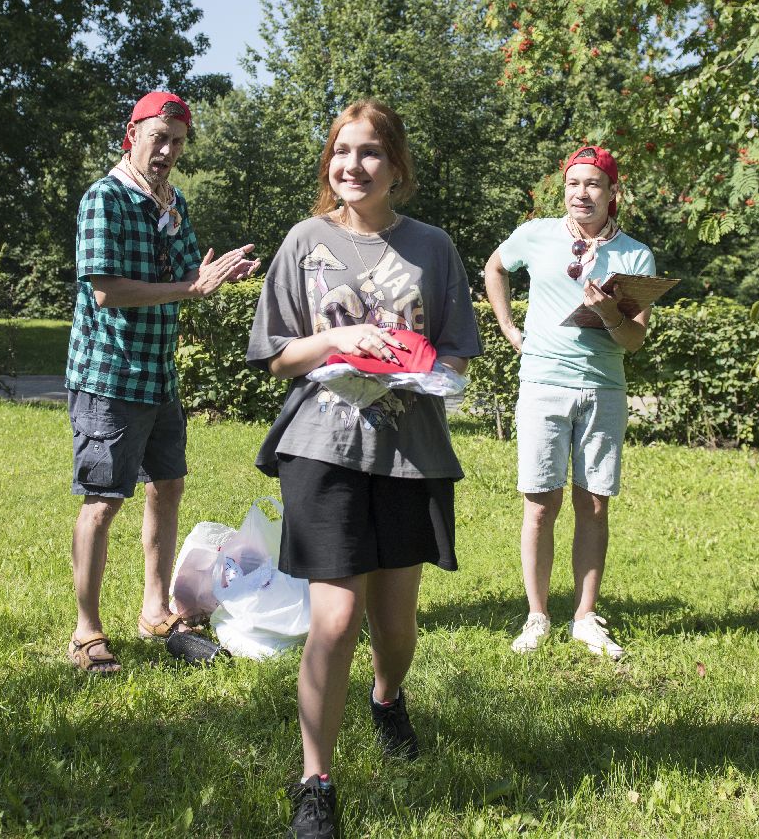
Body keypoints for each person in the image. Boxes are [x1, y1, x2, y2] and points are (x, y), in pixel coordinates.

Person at [247, 99, 482, 838]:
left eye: (370, 152)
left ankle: (386, 697)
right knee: (336, 615)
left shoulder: (433, 249)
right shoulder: (304, 242)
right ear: (329, 162)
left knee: (395, 623)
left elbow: (457, 353)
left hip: (410, 451)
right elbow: (276, 353)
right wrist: (340, 339)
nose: (353, 165)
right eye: (341, 152)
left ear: (397, 166)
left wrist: (421, 371)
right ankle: (315, 781)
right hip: (321, 444)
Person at [66, 91, 260, 675]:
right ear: (133, 133)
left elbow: (183, 277)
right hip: (109, 375)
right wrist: (189, 289)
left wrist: (216, 274)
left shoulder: (170, 202)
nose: (168, 151)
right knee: (102, 502)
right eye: (159, 138)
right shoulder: (106, 198)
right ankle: (86, 631)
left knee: (166, 487)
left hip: (158, 375)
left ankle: (154, 609)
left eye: (177, 141)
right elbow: (107, 289)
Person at [483, 145, 655, 659]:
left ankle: (585, 617)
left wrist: (608, 313)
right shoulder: (536, 235)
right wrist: (510, 328)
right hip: (543, 384)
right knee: (540, 504)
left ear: (612, 193)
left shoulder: (635, 255)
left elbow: (634, 342)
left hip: (603, 388)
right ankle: (537, 617)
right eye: (573, 184)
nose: (582, 193)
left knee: (593, 504)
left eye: (593, 184)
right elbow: (495, 267)